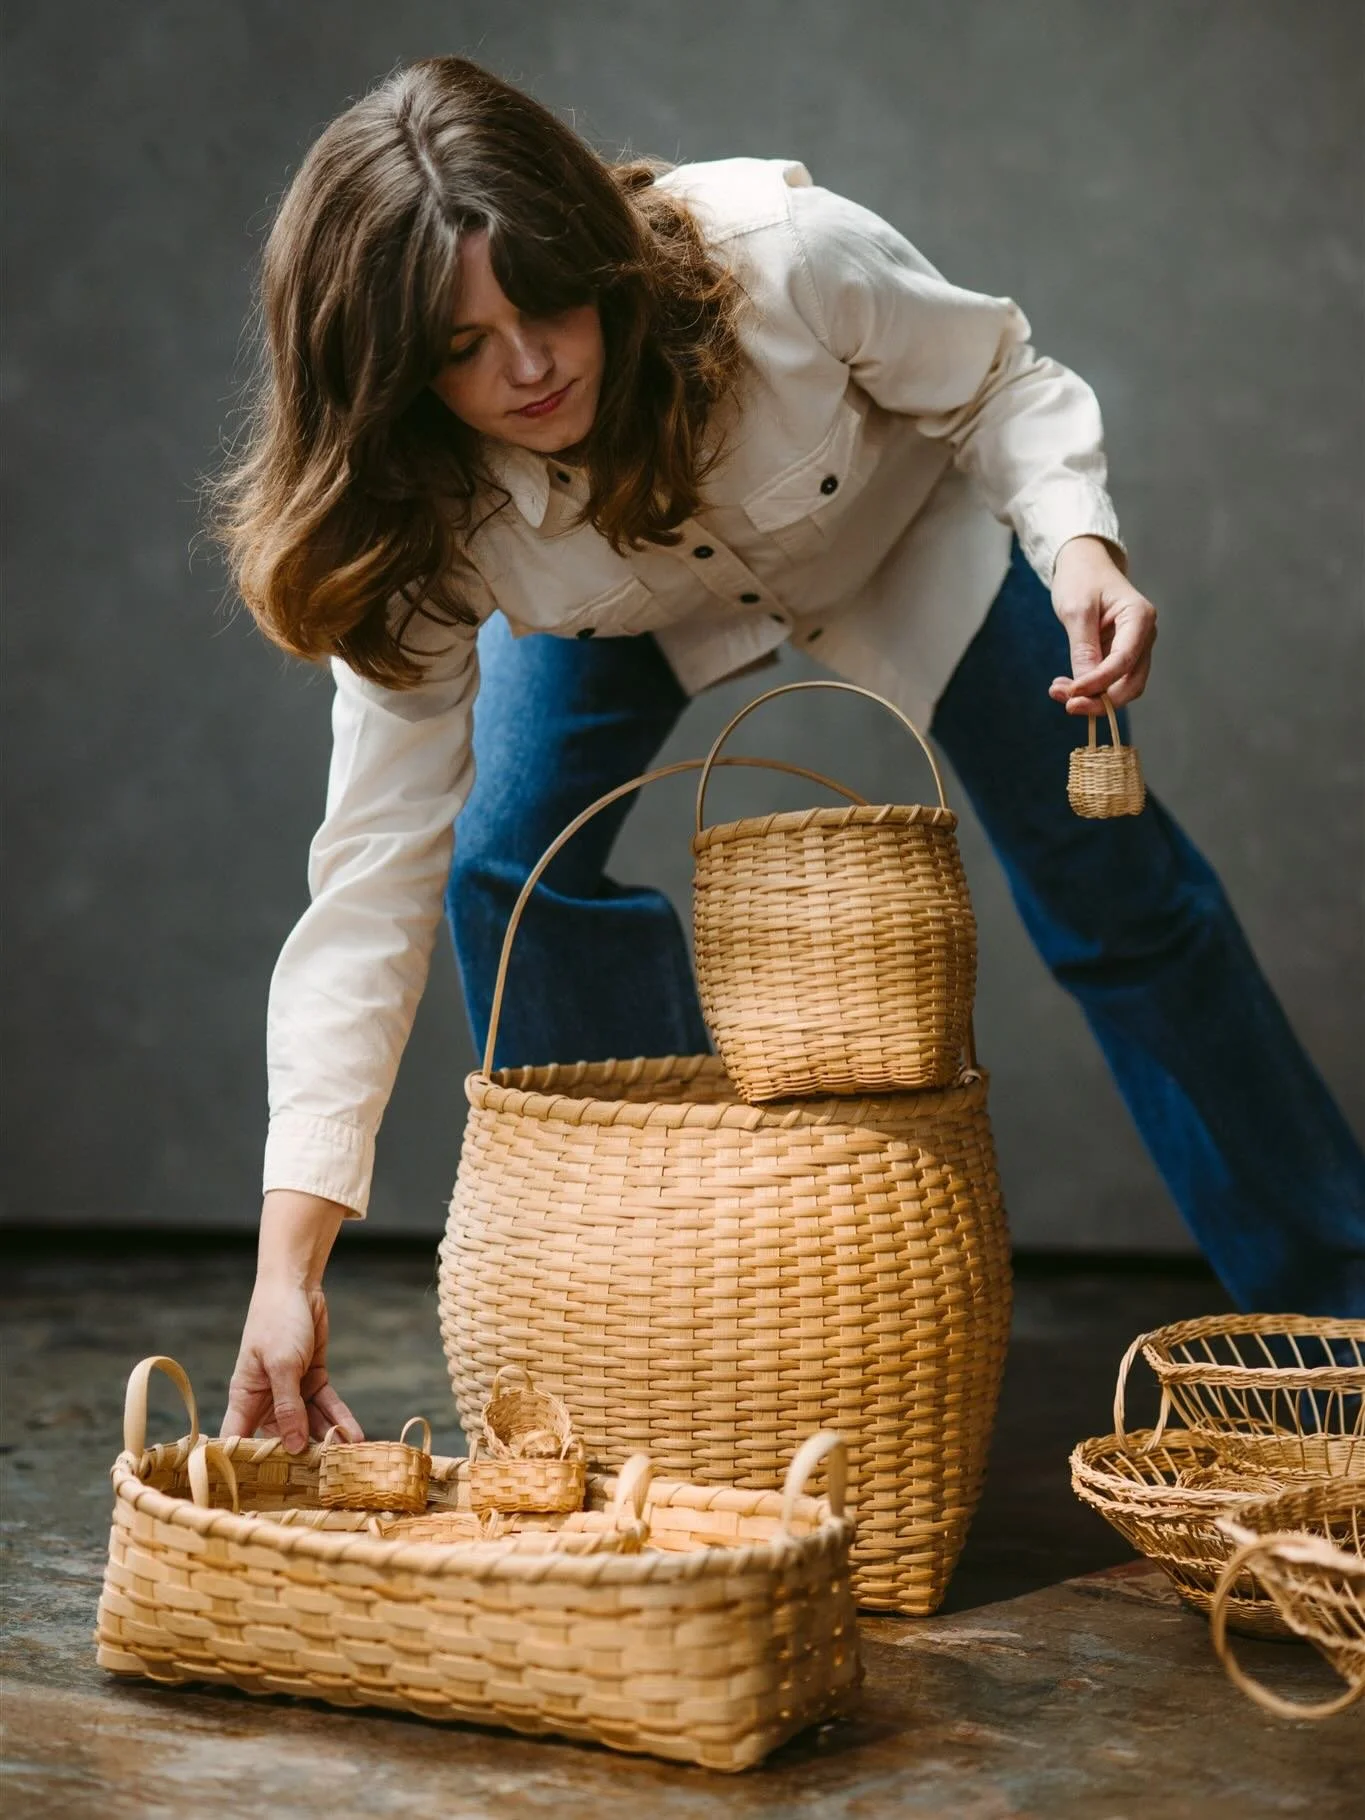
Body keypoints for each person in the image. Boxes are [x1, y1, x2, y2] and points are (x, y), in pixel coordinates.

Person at [214, 56, 1365, 1452]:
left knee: (1123, 897)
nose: (525, 369)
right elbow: (366, 890)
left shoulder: (785, 259)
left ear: (594, 248)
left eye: (549, 303)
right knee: (500, 871)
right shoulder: (417, 521)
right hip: (602, 614)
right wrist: (289, 1273)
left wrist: (1080, 545)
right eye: (459, 348)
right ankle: (672, 1302)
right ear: (388, 377)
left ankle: (1335, 1335)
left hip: (891, 554)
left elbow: (1003, 375)